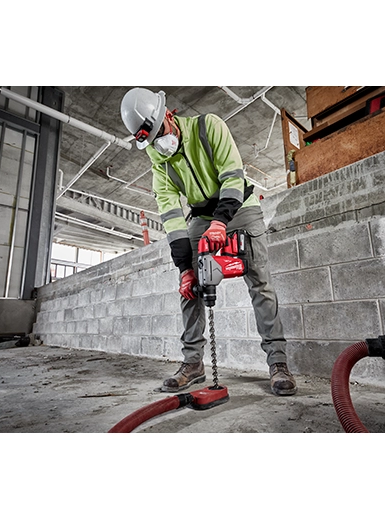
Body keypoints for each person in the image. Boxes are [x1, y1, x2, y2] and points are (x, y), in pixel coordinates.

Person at [120, 87, 297, 396]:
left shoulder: (209, 126)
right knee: (189, 286)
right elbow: (172, 217)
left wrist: (221, 222)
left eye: (160, 131)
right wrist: (184, 269)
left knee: (260, 283)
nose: (160, 143)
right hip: (201, 216)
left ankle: (278, 363)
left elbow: (233, 176)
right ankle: (193, 363)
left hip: (239, 207)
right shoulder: (160, 165)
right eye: (152, 139)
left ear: (169, 114)